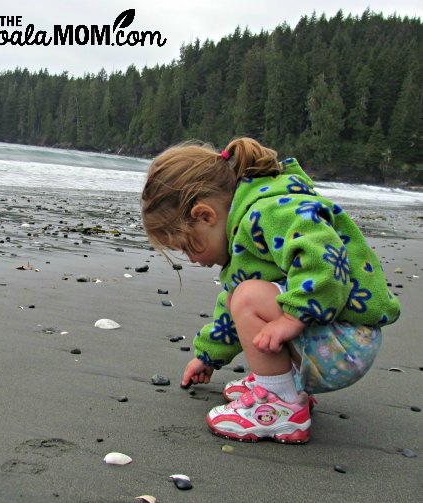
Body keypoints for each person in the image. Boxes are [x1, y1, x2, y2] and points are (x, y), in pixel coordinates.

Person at [141, 137, 401, 443]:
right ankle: (282, 384)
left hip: (346, 344)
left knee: (249, 297)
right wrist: (208, 356)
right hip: (333, 338)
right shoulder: (247, 230)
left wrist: (293, 318)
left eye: (187, 247)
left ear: (204, 215)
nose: (192, 259)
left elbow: (324, 255)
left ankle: (281, 405)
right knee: (244, 295)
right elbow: (232, 307)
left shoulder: (267, 214)